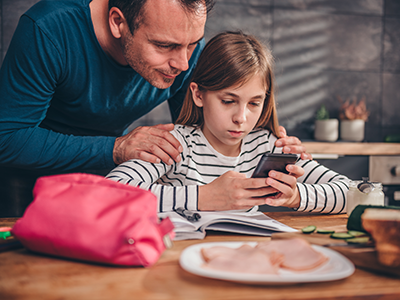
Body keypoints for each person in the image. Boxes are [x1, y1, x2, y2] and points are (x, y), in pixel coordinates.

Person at [0, 0, 307, 217]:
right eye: (164, 46)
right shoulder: (49, 29)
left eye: (192, 44)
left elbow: (199, 135)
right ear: (118, 22)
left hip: (116, 181)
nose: (184, 64)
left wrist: (265, 143)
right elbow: (7, 138)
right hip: (29, 181)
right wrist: (116, 148)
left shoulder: (183, 51)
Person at [106, 31, 350, 214]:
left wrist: (295, 196)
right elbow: (110, 193)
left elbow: (354, 194)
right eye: (228, 101)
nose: (241, 118)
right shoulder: (175, 144)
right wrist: (202, 197)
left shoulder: (268, 145)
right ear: (198, 94)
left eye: (254, 103)